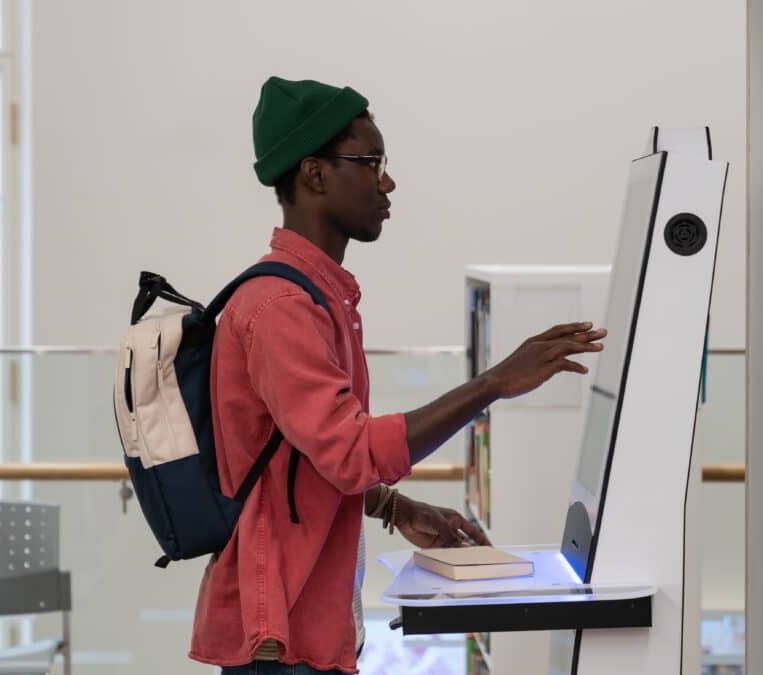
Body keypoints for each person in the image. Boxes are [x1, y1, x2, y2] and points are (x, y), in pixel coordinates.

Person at [189, 76, 607, 675]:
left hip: (309, 628)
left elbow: (308, 457)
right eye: (371, 161)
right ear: (314, 174)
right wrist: (494, 383)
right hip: (279, 641)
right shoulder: (281, 308)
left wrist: (393, 506)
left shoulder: (316, 298)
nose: (387, 182)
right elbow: (351, 451)